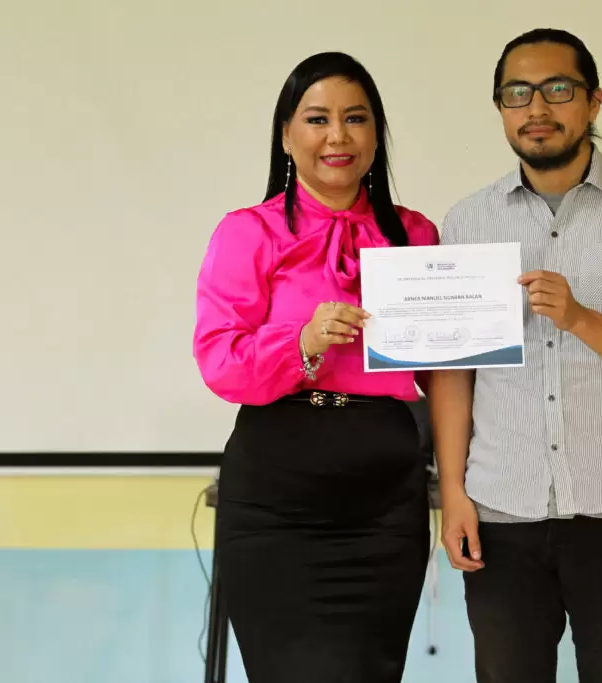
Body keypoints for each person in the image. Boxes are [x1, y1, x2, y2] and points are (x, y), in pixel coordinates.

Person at [428, 28, 602, 683]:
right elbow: (453, 372)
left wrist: (580, 317)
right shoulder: (466, 223)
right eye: (516, 94)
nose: (537, 108)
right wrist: (454, 493)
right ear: (500, 107)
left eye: (557, 89)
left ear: (594, 101)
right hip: (501, 506)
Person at [192, 52, 438, 683]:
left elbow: (445, 370)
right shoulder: (248, 232)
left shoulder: (416, 235)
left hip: (386, 503)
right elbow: (220, 361)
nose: (338, 136)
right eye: (317, 118)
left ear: (376, 134)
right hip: (277, 500)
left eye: (356, 119)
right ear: (286, 134)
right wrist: (301, 342)